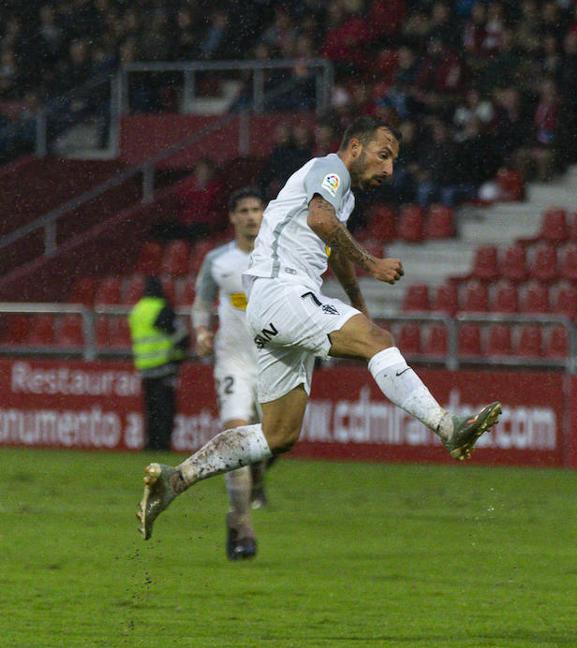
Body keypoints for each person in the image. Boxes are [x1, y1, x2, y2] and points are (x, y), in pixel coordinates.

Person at [136, 117, 503, 540]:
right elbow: (321, 221)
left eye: (393, 162)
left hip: (273, 306)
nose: (388, 170)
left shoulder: (342, 196)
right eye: (383, 156)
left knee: (278, 435)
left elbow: (333, 244)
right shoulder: (329, 169)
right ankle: (447, 427)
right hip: (282, 291)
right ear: (355, 148)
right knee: (378, 342)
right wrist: (374, 264)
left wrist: (359, 303)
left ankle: (177, 479)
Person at [191, 187, 271, 561]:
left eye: (257, 209)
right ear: (233, 217)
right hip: (233, 362)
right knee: (237, 440)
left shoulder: (280, 256)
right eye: (244, 210)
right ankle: (242, 526)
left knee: (270, 445)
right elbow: (201, 303)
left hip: (274, 363)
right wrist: (201, 332)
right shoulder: (218, 261)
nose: (252, 216)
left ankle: (256, 481)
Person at [129, 276, 186, 452]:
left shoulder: (137, 309)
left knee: (151, 409)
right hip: (163, 366)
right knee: (165, 409)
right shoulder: (162, 308)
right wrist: (179, 356)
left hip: (144, 367)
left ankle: (150, 443)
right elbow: (181, 336)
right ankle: (162, 444)